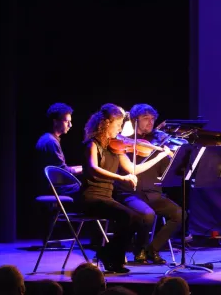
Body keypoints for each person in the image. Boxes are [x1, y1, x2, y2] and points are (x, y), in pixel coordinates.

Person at [78, 103, 171, 273]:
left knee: (136, 218)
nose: (121, 130)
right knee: (127, 216)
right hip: (91, 196)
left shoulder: (115, 147)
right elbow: (93, 168)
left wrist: (158, 151)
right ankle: (112, 256)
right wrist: (121, 177)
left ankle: (109, 254)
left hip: (107, 196)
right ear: (106, 124)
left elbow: (132, 167)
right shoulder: (92, 144)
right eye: (118, 125)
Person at [114, 104, 182, 264]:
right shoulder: (124, 141)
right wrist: (159, 154)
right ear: (134, 120)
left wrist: (172, 158)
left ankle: (152, 249)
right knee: (148, 214)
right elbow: (131, 168)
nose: (150, 122)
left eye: (152, 119)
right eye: (146, 119)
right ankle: (138, 250)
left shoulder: (159, 140)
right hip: (130, 193)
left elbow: (165, 172)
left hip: (153, 192)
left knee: (179, 214)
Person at [35, 103, 82, 191]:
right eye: (67, 121)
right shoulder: (50, 142)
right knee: (88, 190)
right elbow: (62, 173)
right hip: (53, 188)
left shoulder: (48, 138)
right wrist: (84, 170)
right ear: (55, 122)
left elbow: (61, 169)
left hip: (53, 185)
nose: (70, 125)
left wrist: (81, 167)